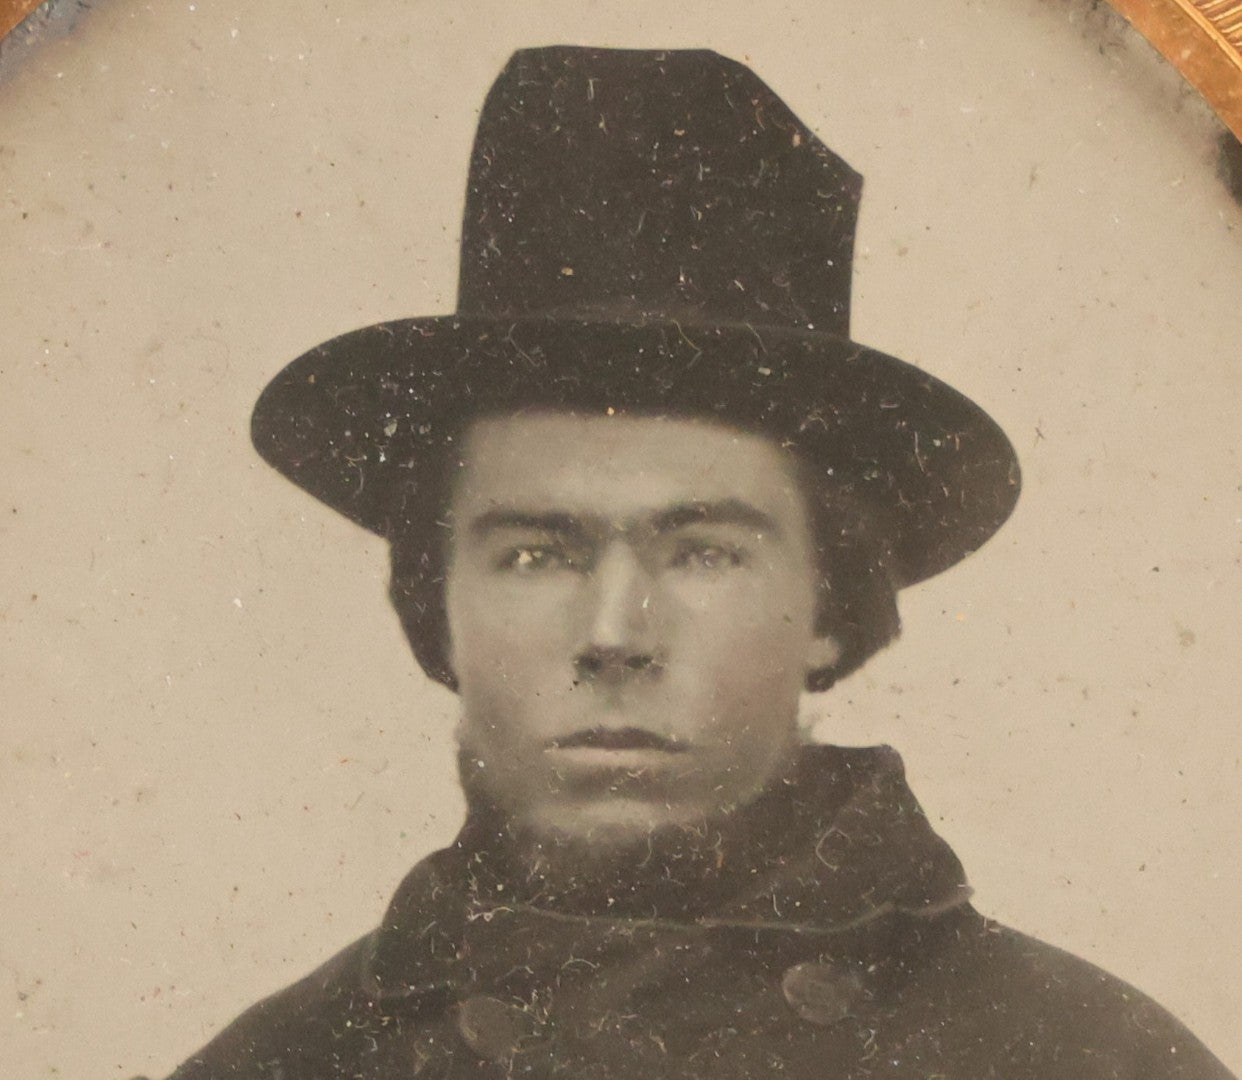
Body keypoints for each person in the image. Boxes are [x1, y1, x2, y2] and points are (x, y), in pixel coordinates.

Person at [158, 46, 1233, 1079]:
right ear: (436, 606)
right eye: (535, 554)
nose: (617, 634)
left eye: (705, 552)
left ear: (827, 602)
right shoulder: (283, 1065)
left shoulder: (1088, 1060)